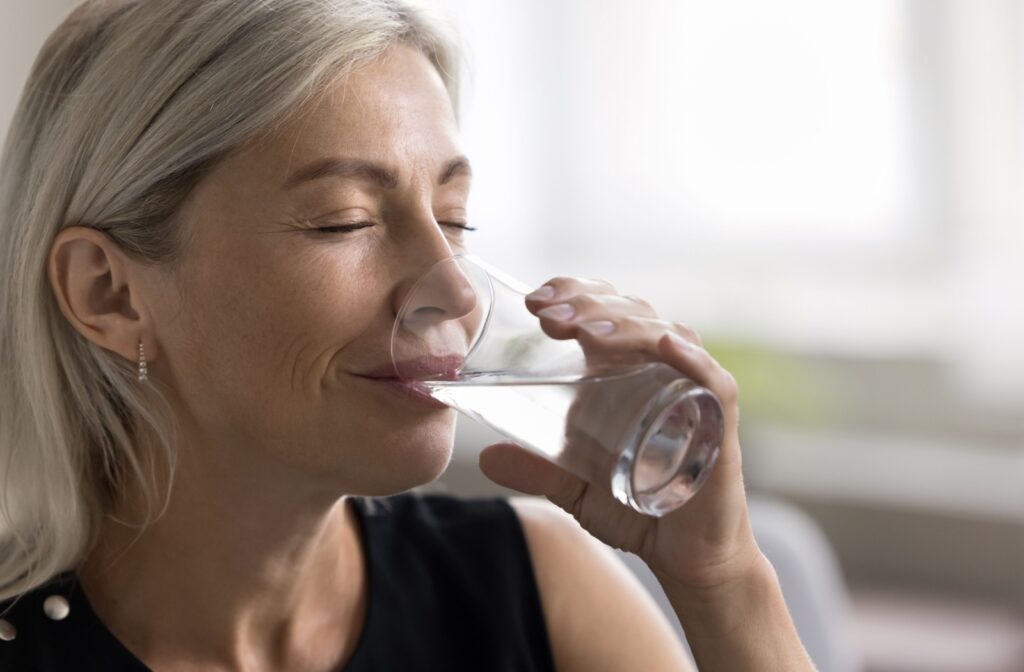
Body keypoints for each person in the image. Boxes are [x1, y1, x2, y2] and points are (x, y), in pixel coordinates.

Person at [0, 1, 816, 670]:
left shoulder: (529, 583)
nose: (457, 288)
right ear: (107, 293)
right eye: (344, 221)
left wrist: (722, 582)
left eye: (454, 218)